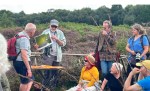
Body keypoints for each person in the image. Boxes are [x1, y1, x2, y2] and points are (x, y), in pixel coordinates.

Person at [38, 19, 66, 86]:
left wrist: (56, 39)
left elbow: (63, 44)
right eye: (52, 26)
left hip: (57, 56)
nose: (53, 27)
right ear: (49, 25)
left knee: (55, 73)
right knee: (46, 72)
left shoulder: (60, 33)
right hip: (47, 56)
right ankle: (44, 87)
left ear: (57, 26)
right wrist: (46, 40)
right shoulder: (45, 32)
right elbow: (39, 44)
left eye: (55, 26)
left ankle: (53, 87)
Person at [13, 23, 36, 91]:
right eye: (34, 31)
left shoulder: (19, 34)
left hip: (17, 61)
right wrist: (29, 69)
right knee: (25, 82)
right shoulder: (24, 39)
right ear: (31, 31)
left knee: (30, 79)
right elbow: (24, 55)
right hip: (22, 62)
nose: (34, 32)